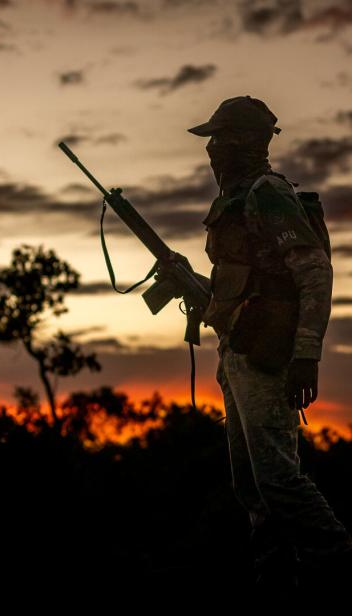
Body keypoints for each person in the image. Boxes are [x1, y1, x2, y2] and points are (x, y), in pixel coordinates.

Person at [187, 95, 352, 595]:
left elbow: (314, 271)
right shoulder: (240, 201)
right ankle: (275, 582)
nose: (212, 150)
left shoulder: (267, 194)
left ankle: (337, 559)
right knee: (252, 487)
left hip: (266, 354)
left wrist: (306, 354)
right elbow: (242, 288)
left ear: (243, 142)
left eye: (219, 138)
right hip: (238, 350)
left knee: (278, 479)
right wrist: (187, 281)